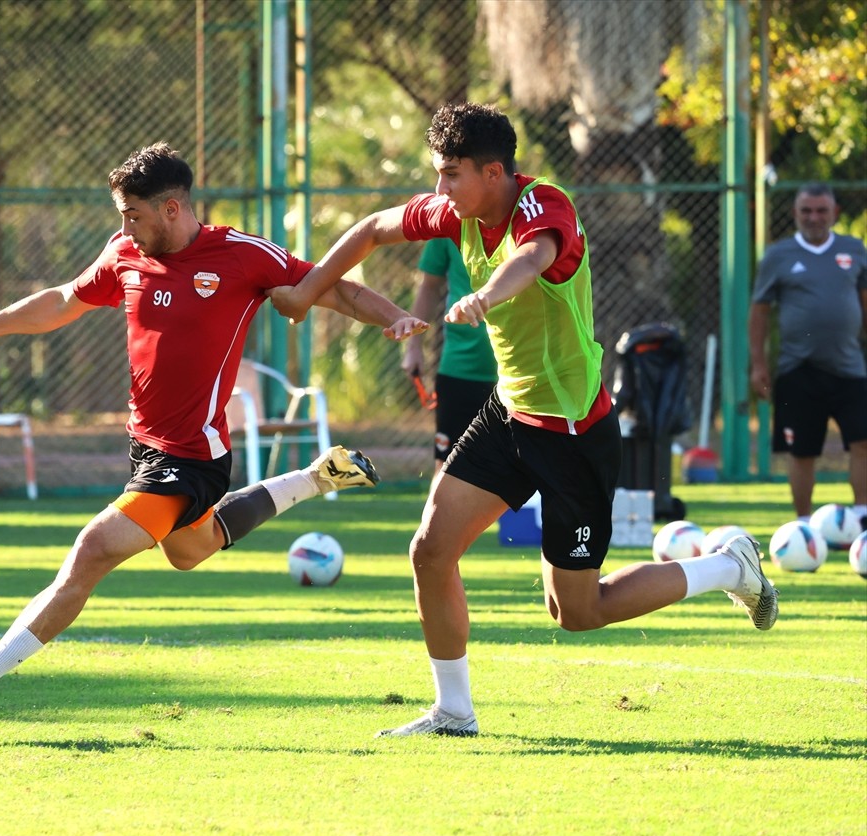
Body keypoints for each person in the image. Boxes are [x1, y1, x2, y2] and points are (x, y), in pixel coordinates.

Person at [269, 102, 779, 738]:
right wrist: (307, 288)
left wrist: (484, 296)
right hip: (509, 416)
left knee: (578, 612)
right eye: (437, 174)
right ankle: (454, 712)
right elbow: (374, 229)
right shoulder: (456, 211)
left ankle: (729, 567)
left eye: (450, 174)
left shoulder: (546, 205)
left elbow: (533, 258)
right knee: (430, 550)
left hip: (573, 434)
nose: (439, 190)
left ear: (493, 172)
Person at [0, 142, 428, 716]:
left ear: (172, 209)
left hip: (192, 455)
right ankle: (318, 478)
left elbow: (333, 288)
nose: (124, 226)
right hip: (145, 447)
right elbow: (64, 299)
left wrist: (396, 317)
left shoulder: (241, 255)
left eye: (133, 214)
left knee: (91, 551)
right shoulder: (124, 252)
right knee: (191, 550)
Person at [749, 183, 867, 528]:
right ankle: (803, 524)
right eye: (806, 211)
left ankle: (862, 518)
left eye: (821, 211)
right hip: (797, 368)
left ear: (835, 213)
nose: (814, 218)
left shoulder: (854, 250)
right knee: (801, 451)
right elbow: (759, 312)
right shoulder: (778, 256)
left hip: (850, 367)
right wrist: (758, 365)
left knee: (863, 441)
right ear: (795, 213)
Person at [402, 237, 497, 477]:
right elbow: (429, 285)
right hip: (461, 368)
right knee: (448, 468)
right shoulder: (445, 218)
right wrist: (413, 346)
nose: (444, 196)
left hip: (524, 371)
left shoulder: (531, 211)